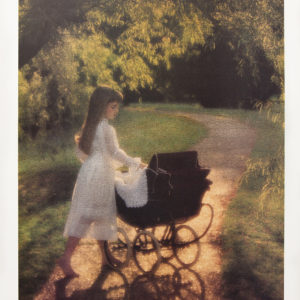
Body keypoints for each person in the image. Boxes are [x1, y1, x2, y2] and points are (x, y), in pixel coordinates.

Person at [57, 86, 146, 277]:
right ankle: (66, 258)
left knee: (100, 216)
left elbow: (85, 155)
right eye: (113, 107)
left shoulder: (91, 126)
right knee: (91, 216)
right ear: (102, 107)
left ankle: (105, 257)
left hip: (90, 173)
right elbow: (114, 153)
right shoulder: (105, 128)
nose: (116, 110)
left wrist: (121, 166)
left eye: (116, 107)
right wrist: (134, 163)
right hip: (98, 177)